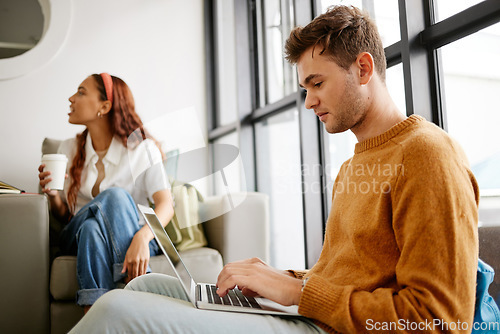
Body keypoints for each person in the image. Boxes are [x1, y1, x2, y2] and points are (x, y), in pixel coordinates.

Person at [68, 5, 479, 333]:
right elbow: (342, 275)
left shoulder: (427, 155)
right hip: (315, 315)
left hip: (328, 327)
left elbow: (439, 324)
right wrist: (279, 277)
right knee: (143, 286)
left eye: (317, 84)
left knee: (117, 311)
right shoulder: (354, 166)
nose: (308, 103)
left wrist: (298, 291)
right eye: (305, 89)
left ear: (364, 69)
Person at [38, 73, 174, 313]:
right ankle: (139, 289)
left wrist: (142, 238)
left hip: (136, 238)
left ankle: (94, 319)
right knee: (112, 199)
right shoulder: (68, 149)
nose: (71, 98)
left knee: (94, 228)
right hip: (74, 234)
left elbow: (166, 205)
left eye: (81, 92)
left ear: (105, 106)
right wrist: (52, 196)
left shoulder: (142, 148)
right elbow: (63, 217)